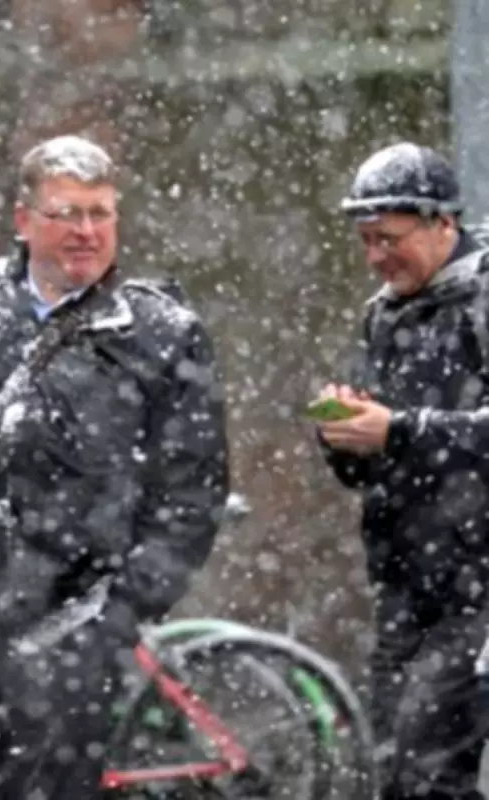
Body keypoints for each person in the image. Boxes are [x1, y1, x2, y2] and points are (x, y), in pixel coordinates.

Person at [0, 134, 229, 799]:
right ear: (23, 220)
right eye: (65, 213)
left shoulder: (160, 332)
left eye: (100, 213)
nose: (86, 231)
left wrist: (116, 617)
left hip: (71, 631)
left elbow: (193, 492)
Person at [314, 141, 489, 800]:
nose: (375, 258)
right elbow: (374, 457)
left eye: (389, 239)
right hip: (406, 584)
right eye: (365, 241)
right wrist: (344, 435)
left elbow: (416, 434)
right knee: (395, 771)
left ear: (444, 223)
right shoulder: (382, 313)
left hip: (478, 586)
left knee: (427, 769)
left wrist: (401, 430)